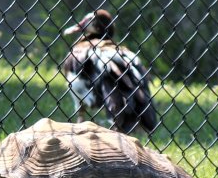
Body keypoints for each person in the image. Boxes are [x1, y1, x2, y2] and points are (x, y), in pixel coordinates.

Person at [58, 8, 158, 136]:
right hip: (97, 79)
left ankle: (87, 123)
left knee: (81, 114)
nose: (81, 24)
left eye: (87, 21)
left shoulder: (79, 50)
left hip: (92, 84)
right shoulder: (122, 51)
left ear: (98, 27)